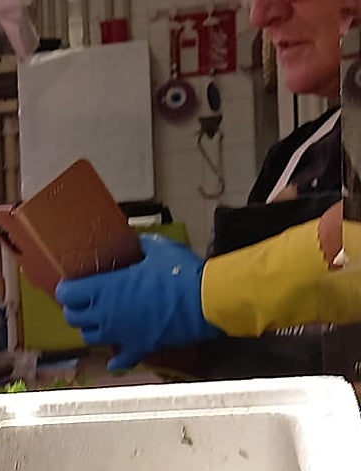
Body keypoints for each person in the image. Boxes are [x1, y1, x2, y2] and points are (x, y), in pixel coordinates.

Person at [55, 0, 359, 375]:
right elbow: (251, 357)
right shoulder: (293, 157)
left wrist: (199, 296)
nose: (261, 15)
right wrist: (169, 333)